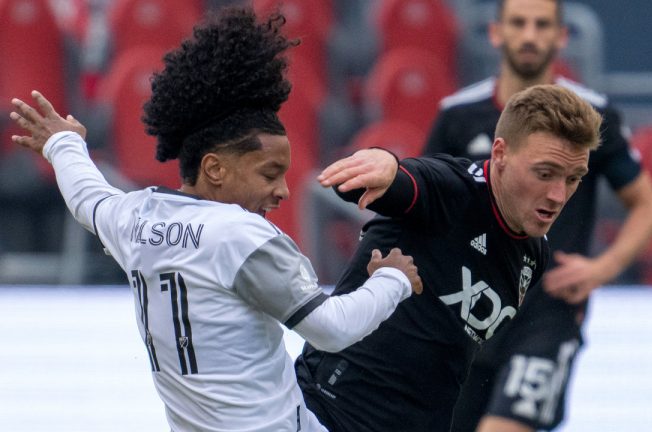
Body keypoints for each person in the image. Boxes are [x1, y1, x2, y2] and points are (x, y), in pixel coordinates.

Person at [9, 8, 423, 432]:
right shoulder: (243, 237)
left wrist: (62, 144)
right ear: (215, 169)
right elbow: (332, 330)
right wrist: (392, 280)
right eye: (269, 173)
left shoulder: (135, 219)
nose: (282, 190)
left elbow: (87, 199)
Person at [294, 84, 603, 432]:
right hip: (329, 414)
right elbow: (402, 182)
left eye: (573, 178)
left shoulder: (534, 254)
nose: (558, 195)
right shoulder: (453, 190)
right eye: (544, 173)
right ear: (499, 154)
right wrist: (384, 166)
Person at [422, 1, 652, 431]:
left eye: (542, 24)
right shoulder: (458, 115)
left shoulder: (594, 117)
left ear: (561, 36)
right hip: (469, 311)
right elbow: (427, 207)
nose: (530, 35)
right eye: (518, 23)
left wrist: (602, 268)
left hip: (548, 312)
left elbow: (649, 206)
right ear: (497, 33)